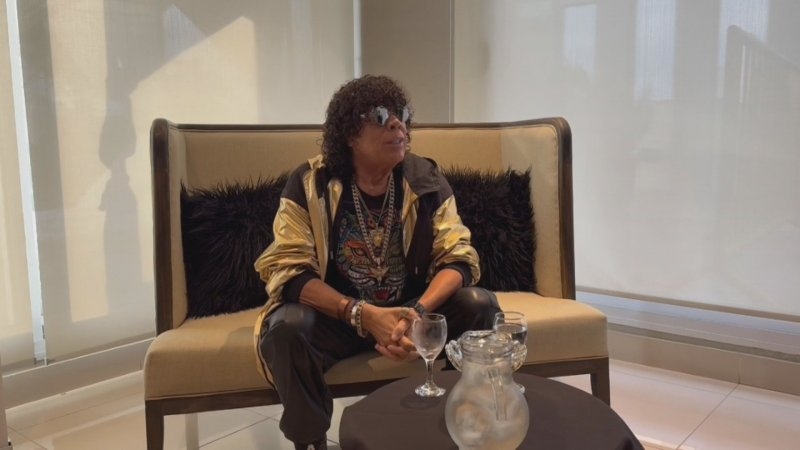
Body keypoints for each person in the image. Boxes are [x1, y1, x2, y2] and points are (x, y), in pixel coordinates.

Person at [253, 74, 500, 450]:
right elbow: (289, 272)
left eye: (402, 115)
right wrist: (362, 314)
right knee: (287, 329)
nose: (398, 125)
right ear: (350, 134)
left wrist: (416, 314)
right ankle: (311, 440)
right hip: (338, 316)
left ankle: (463, 421)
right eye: (382, 116)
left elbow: (459, 259)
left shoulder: (426, 179)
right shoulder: (309, 183)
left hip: (411, 312)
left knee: (479, 305)